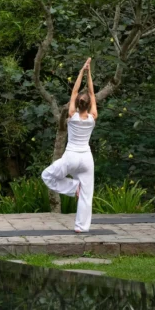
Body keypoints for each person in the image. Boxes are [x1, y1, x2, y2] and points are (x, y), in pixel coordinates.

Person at [41, 58, 97, 233]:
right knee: (87, 196)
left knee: (47, 176)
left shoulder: (71, 115)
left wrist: (81, 70)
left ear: (78, 104)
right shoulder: (93, 117)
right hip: (86, 158)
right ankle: (81, 227)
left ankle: (73, 187)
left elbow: (74, 92)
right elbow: (92, 93)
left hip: (71, 157)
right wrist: (89, 73)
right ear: (89, 105)